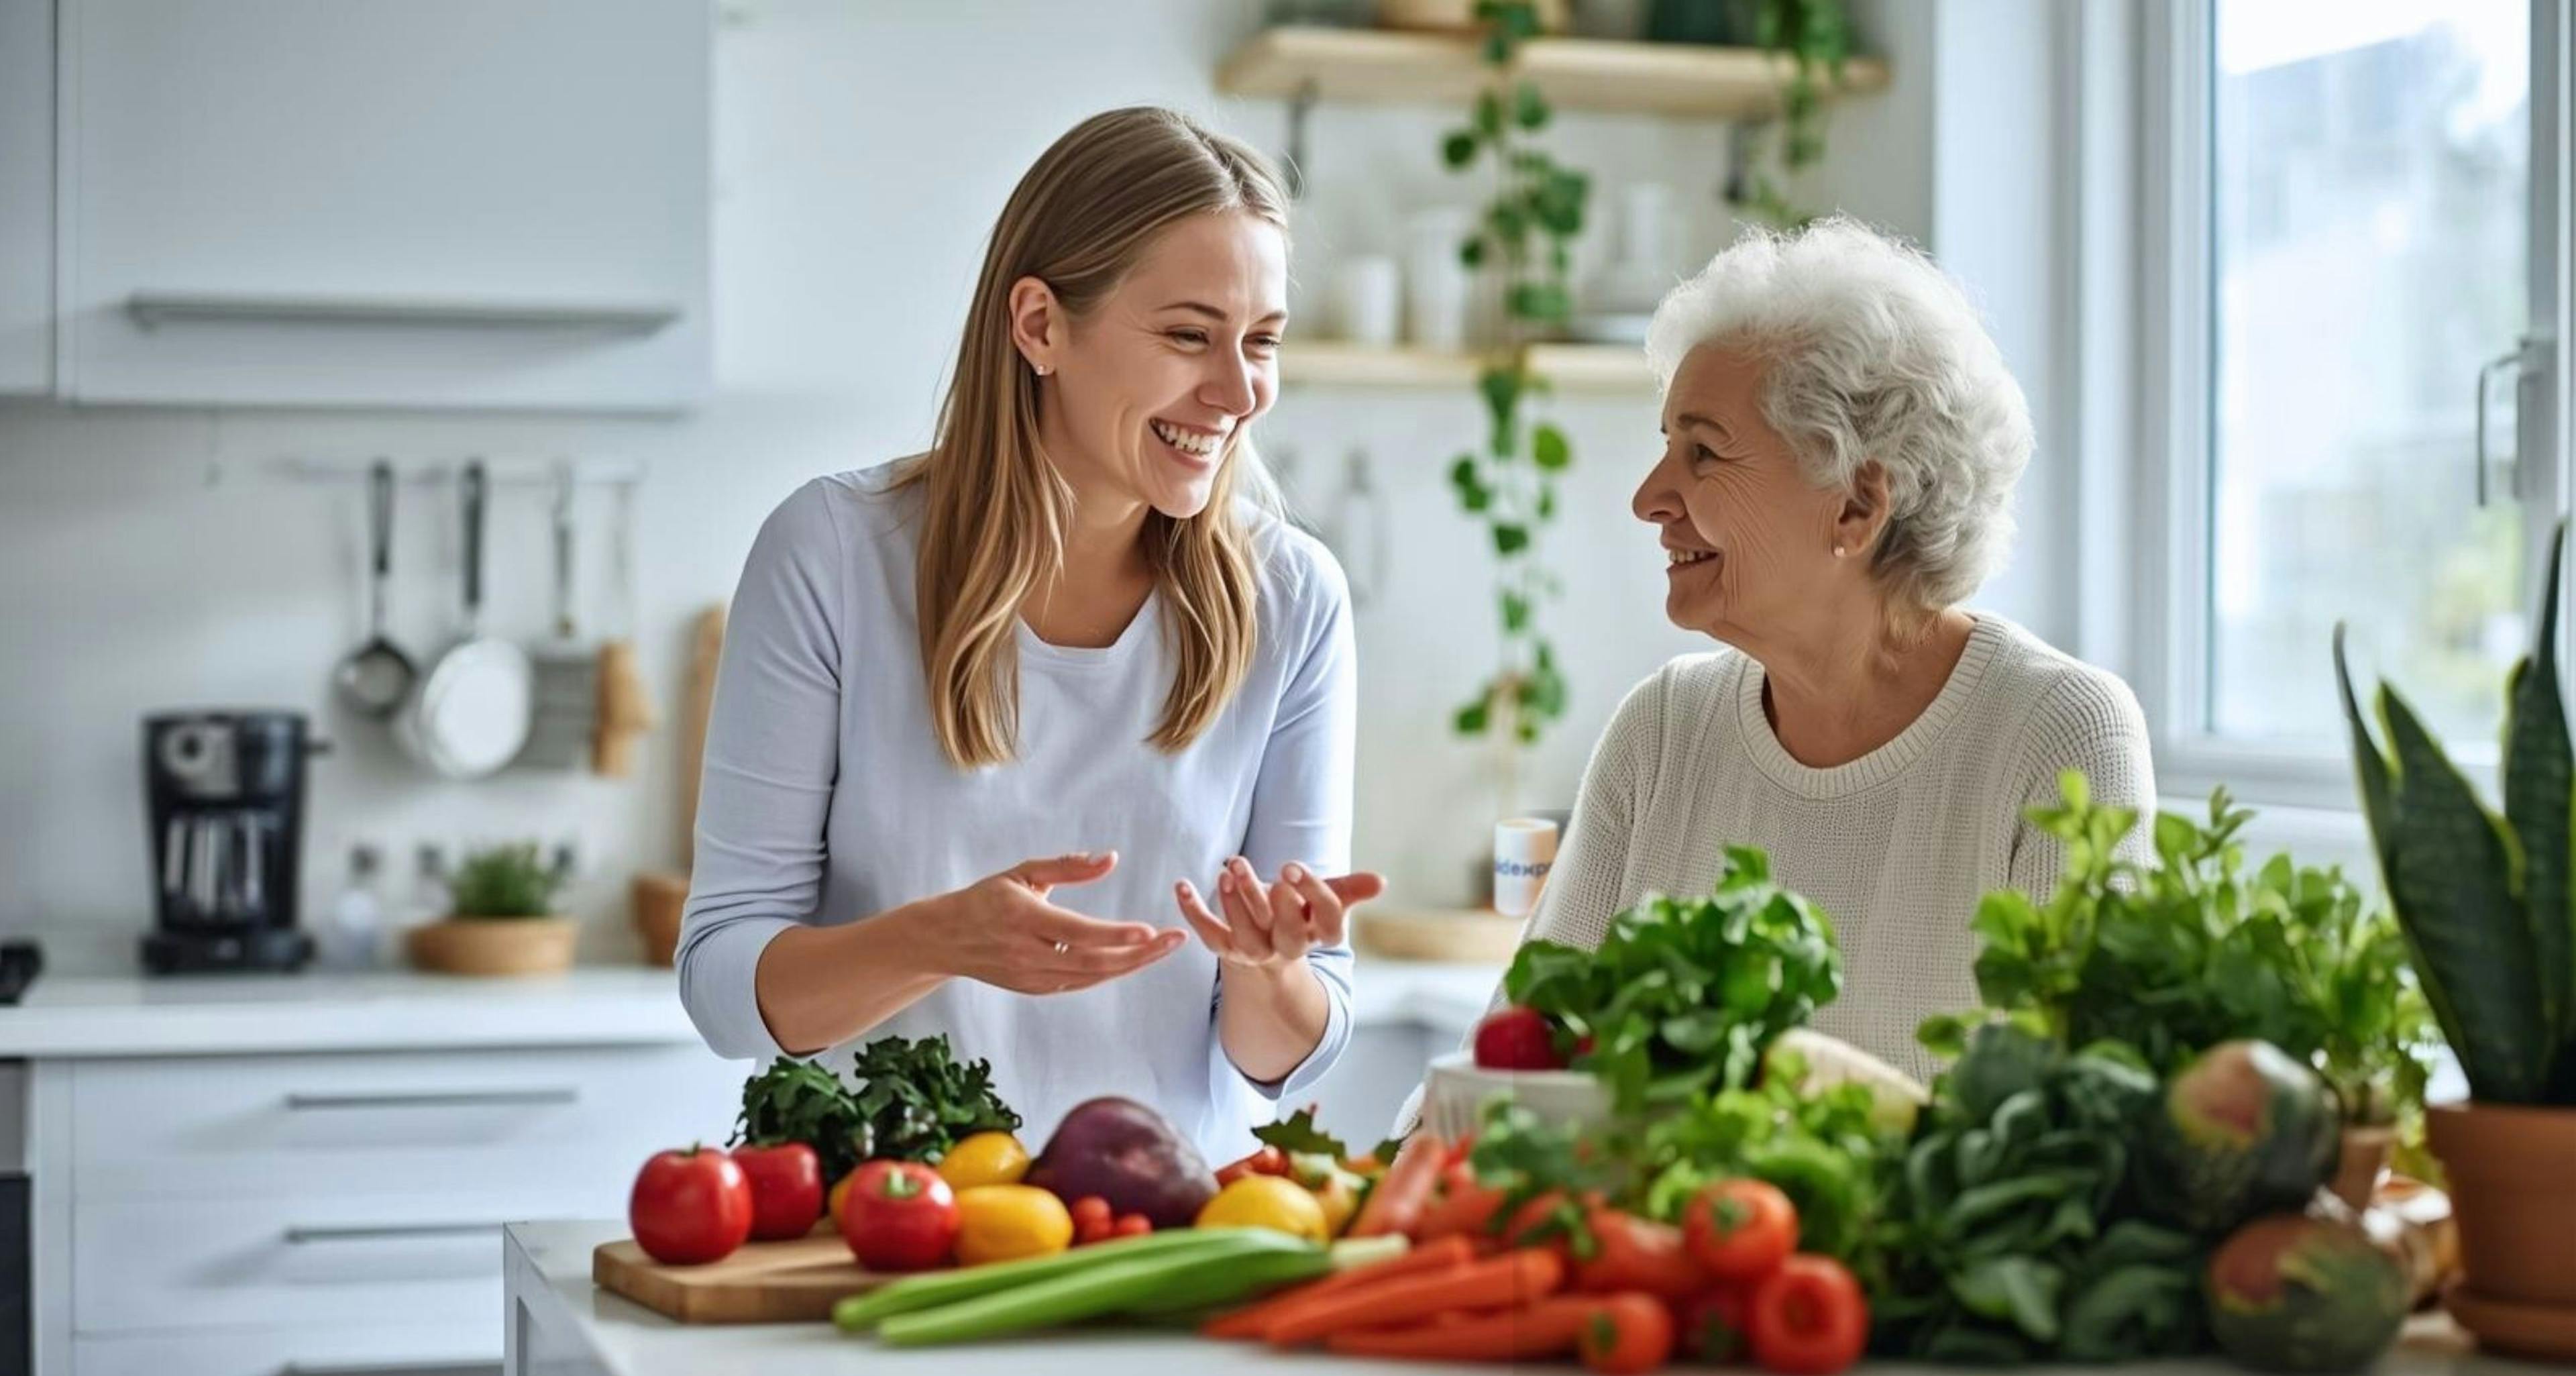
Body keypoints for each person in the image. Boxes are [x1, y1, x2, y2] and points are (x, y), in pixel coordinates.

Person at [679, 107, 1381, 1163]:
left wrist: (1266, 967)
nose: (1239, 392)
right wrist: (938, 941)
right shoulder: (833, 555)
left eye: (1263, 342)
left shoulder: (1294, 598)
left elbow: (1280, 1055)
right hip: (882, 1231)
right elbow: (726, 988)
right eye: (1190, 335)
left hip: (1154, 1233)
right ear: (1040, 325)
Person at [1423, 217, 2153, 1104]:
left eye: (1703, 452)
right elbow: (1509, 1072)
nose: (1650, 497)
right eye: (1665, 446)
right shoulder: (1662, 731)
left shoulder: (2055, 736)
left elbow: (2072, 1131)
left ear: (1855, 503)